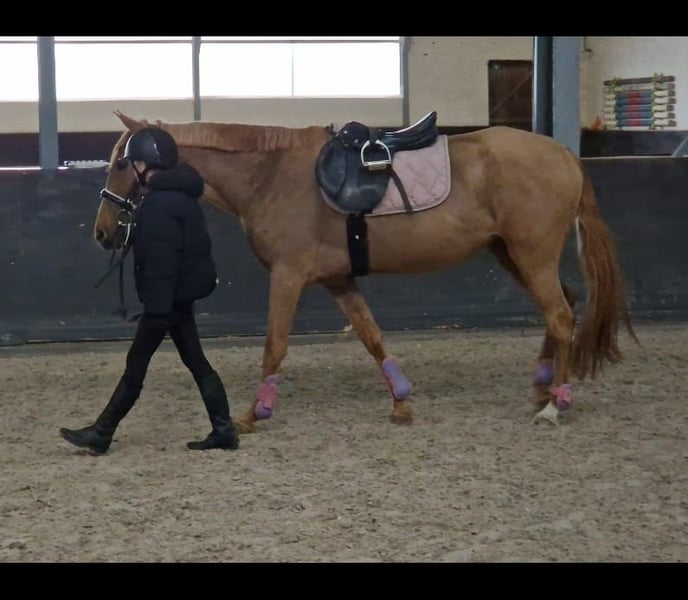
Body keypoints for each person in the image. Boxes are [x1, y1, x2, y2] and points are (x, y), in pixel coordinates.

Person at [59, 126, 239, 455]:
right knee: (197, 362)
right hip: (180, 298)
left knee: (136, 364)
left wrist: (156, 309)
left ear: (142, 165)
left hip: (164, 301)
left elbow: (161, 261)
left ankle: (102, 432)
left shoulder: (157, 204)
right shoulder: (184, 198)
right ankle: (223, 429)